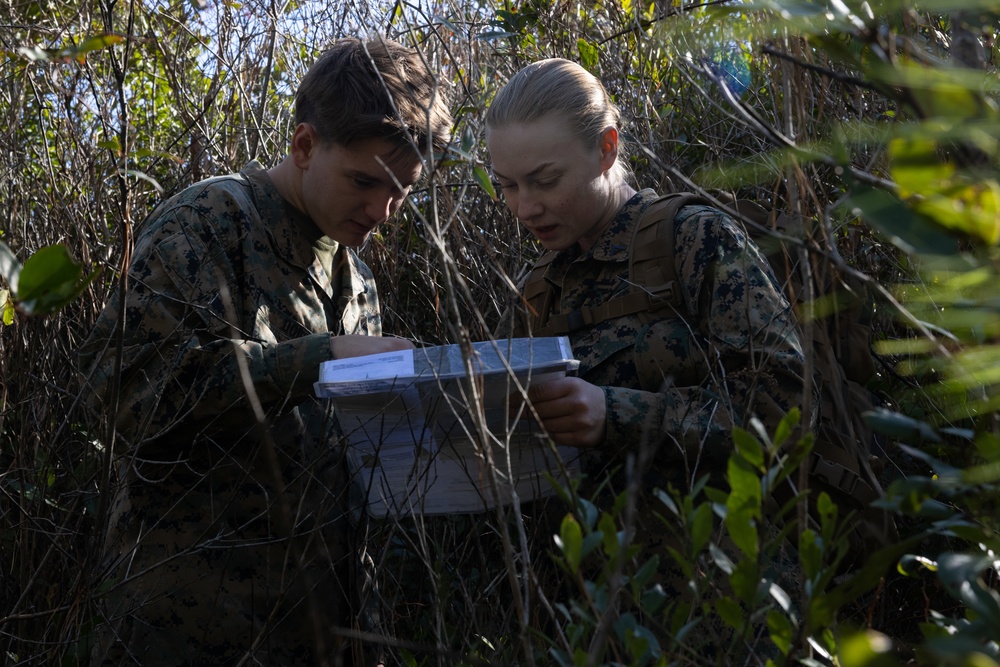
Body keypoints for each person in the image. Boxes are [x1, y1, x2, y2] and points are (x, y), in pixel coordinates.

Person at [80, 36, 452, 666]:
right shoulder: (205, 222)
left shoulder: (353, 275)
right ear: (304, 145)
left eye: (402, 191)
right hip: (191, 630)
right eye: (365, 181)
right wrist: (320, 358)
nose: (383, 211)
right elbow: (119, 394)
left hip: (318, 624)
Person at [484, 58, 809, 636]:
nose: (524, 207)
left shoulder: (692, 239)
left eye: (544, 180)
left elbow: (783, 410)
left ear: (607, 149)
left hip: (724, 608)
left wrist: (617, 414)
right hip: (592, 614)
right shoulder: (540, 284)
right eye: (506, 185)